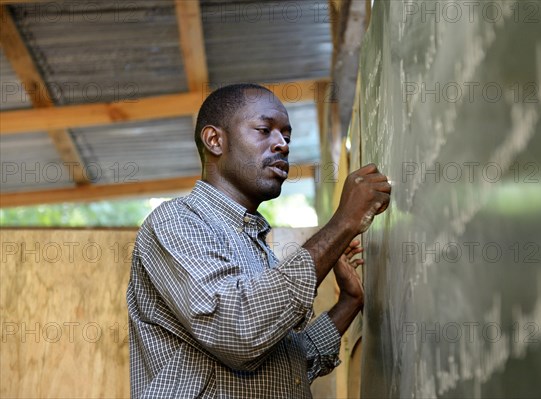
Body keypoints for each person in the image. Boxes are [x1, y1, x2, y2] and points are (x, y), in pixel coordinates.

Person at [126, 83, 391, 398]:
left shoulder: (258, 249)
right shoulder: (177, 222)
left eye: (287, 137)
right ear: (214, 140)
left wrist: (350, 302)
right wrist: (343, 222)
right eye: (265, 130)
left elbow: (286, 370)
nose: (282, 145)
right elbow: (240, 331)